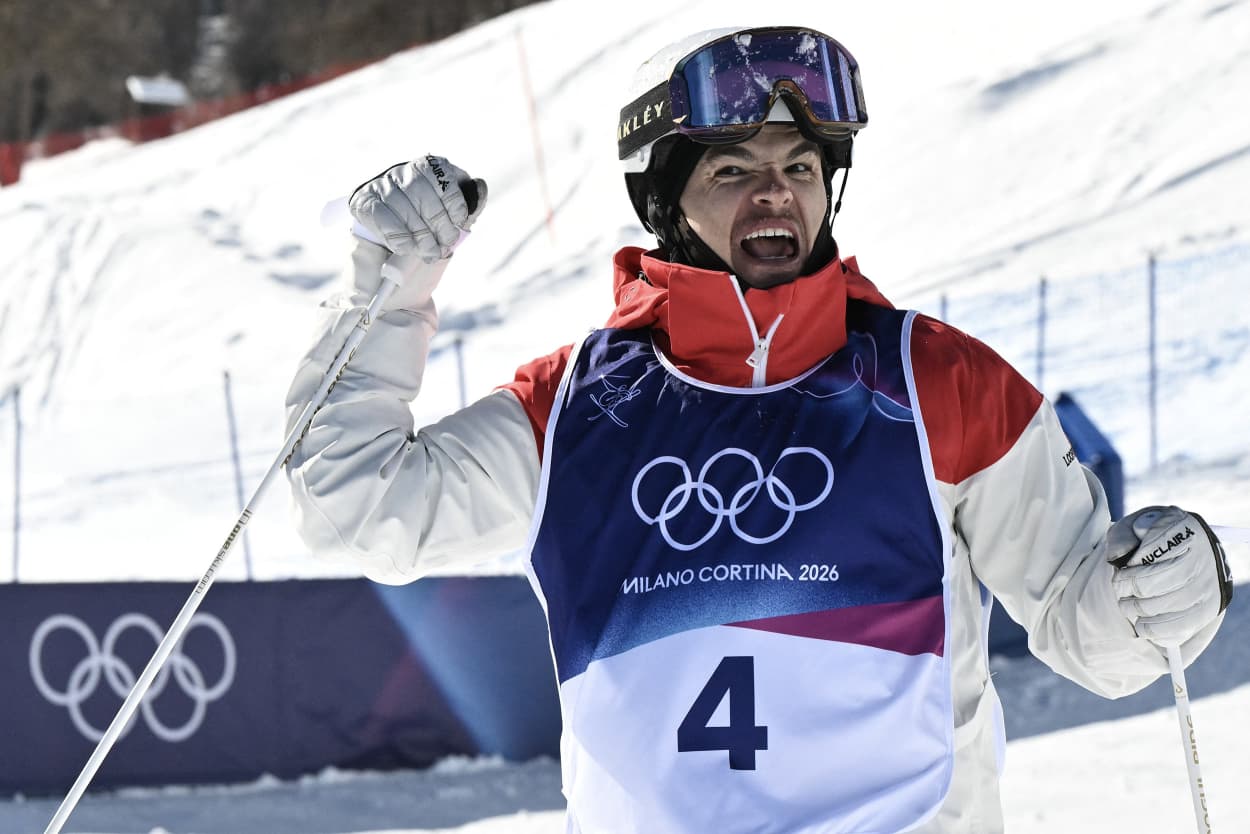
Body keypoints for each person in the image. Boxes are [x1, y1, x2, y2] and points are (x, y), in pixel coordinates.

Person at [285, 26, 1233, 834]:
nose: (775, 194)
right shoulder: (575, 408)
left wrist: (1159, 598)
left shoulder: (938, 382)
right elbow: (355, 504)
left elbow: (1085, 624)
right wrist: (385, 290)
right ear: (665, 202)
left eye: (800, 167)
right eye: (734, 169)